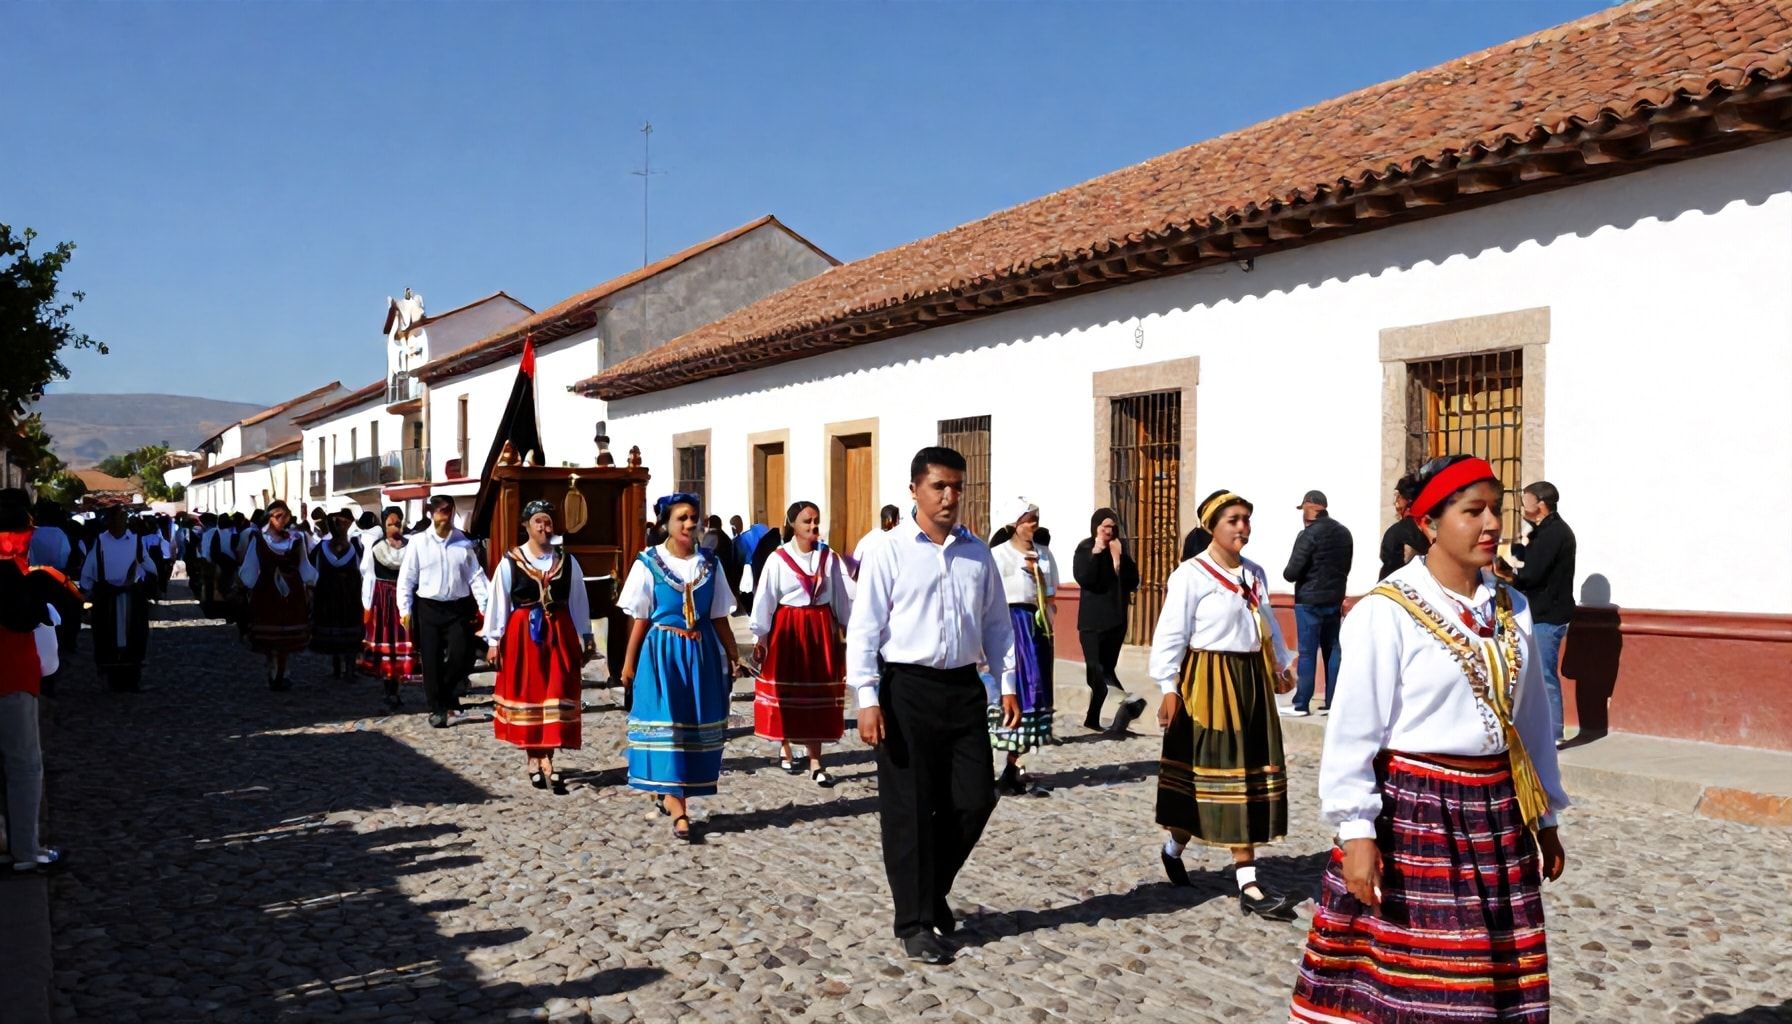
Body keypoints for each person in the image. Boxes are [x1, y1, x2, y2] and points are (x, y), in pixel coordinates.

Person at [1289, 455, 1569, 1022]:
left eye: (1497, 509)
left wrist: (1545, 816)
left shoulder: (1512, 605)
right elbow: (1353, 732)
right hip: (1417, 815)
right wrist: (1357, 831)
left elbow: (1531, 722)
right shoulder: (1386, 611)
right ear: (1429, 523)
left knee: (1491, 976)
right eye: (1473, 511)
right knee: (1424, 983)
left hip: (1497, 812)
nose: (1492, 524)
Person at [847, 446, 1018, 965]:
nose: (949, 496)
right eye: (939, 486)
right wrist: (867, 697)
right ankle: (915, 922)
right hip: (907, 688)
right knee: (911, 809)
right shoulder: (889, 549)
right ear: (915, 490)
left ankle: (932, 887)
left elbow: (996, 623)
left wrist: (1007, 682)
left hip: (963, 687)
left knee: (974, 798)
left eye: (956, 487)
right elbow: (865, 627)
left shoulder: (977, 553)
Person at [1151, 489, 1300, 921]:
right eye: (1233, 520)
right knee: (1214, 779)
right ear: (1211, 527)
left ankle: (1185, 852)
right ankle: (1240, 880)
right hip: (1209, 683)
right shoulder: (1191, 575)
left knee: (1246, 776)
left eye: (1246, 519)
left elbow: (1267, 622)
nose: (1242, 527)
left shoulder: (1254, 574)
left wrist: (1280, 664)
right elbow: (1171, 633)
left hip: (1250, 680)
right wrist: (1168, 687)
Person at [618, 492, 739, 841]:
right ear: (666, 524)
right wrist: (628, 664)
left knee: (692, 727)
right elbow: (640, 619)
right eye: (681, 518)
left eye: (693, 517)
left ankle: (672, 794)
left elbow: (718, 616)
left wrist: (733, 654)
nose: (689, 524)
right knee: (668, 727)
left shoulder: (709, 564)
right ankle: (678, 809)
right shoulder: (649, 563)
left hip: (700, 655)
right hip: (662, 655)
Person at [485, 500, 594, 794]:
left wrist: (585, 635)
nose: (544, 528)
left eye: (548, 522)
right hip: (523, 636)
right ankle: (535, 758)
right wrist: (494, 640)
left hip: (558, 633)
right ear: (526, 525)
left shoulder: (566, 562)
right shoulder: (511, 562)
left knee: (555, 692)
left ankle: (548, 757)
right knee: (530, 692)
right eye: (538, 522)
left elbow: (578, 600)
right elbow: (499, 601)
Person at [750, 500, 853, 786]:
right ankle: (785, 744)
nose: (813, 526)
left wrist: (847, 629)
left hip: (819, 631)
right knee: (788, 690)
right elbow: (766, 598)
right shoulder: (778, 559)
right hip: (788, 631)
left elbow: (841, 596)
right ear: (793, 525)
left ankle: (816, 761)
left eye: (816, 520)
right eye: (807, 521)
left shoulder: (828, 558)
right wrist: (761, 636)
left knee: (815, 693)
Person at [0, 494, 67, 875]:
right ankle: (26, 849)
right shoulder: (12, 572)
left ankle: (3, 842)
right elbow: (23, 618)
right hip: (11, 676)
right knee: (24, 765)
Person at [397, 495, 490, 728]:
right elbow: (407, 578)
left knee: (462, 654)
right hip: (428, 607)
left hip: (456, 608)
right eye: (440, 511)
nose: (444, 516)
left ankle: (446, 693)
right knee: (431, 660)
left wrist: (486, 605)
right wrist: (404, 609)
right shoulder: (418, 542)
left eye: (448, 510)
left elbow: (475, 576)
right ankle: (437, 708)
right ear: (431, 513)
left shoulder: (463, 542)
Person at [986, 498, 1058, 796]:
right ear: (1015, 523)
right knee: (1011, 690)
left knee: (1034, 691)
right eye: (1028, 520)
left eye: (1035, 519)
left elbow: (1051, 594)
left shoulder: (1044, 555)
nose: (1033, 525)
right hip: (1008, 625)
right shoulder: (997, 555)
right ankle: (996, 764)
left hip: (1035, 627)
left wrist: (1038, 578)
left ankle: (1015, 764)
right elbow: (988, 597)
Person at [1501, 480, 1577, 746]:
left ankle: (1554, 733)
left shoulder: (1555, 533)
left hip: (1548, 615)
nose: (1523, 505)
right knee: (1529, 674)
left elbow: (1532, 573)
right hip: (1536, 612)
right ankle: (1534, 727)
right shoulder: (1540, 531)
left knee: (1545, 675)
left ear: (1541, 504)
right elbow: (1523, 559)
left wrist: (1510, 575)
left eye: (1527, 499)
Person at [1072, 507, 1146, 733]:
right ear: (1096, 527)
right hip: (1092, 623)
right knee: (1096, 672)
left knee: (1106, 670)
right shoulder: (1085, 548)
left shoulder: (1119, 549)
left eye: (1113, 527)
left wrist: (1119, 559)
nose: (1109, 531)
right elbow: (1085, 578)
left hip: (1115, 622)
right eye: (1105, 527)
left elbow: (1133, 581)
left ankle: (1094, 719)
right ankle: (1129, 704)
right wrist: (1097, 552)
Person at [1281, 489, 1352, 717]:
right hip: (1334, 600)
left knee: (1308, 653)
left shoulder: (1308, 535)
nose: (1302, 515)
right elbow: (1346, 568)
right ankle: (1333, 703)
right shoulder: (1344, 533)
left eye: (1303, 509)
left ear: (1310, 507)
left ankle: (1301, 704)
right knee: (1332, 650)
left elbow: (1291, 573)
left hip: (1309, 601)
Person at [238, 499, 317, 689]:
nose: (281, 520)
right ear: (269, 518)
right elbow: (251, 563)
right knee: (270, 634)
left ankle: (282, 671)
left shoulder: (296, 539)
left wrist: (311, 582)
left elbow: (304, 563)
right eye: (277, 516)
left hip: (292, 593)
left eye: (285, 516)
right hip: (267, 592)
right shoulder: (259, 539)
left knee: (287, 637)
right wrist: (247, 583)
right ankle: (273, 668)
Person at [80, 507, 153, 693]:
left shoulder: (135, 541)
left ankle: (132, 678)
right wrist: (86, 590)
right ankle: (110, 677)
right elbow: (89, 568)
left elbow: (148, 565)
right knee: (106, 637)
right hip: (107, 598)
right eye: (114, 519)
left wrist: (147, 578)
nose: (117, 523)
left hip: (132, 598)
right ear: (108, 522)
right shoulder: (100, 542)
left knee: (135, 635)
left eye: (121, 518)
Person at [359, 507, 419, 711]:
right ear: (384, 525)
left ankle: (396, 688)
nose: (395, 528)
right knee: (386, 643)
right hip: (383, 600)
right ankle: (388, 689)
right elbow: (369, 576)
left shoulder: (410, 547)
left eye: (398, 523)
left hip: (404, 600)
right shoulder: (377, 548)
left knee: (402, 643)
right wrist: (367, 605)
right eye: (390, 524)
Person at [309, 511, 364, 679]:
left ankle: (345, 669)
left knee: (346, 631)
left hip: (344, 597)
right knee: (338, 632)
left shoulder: (354, 546)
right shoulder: (326, 548)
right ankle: (342, 669)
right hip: (336, 597)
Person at [1376, 472, 1429, 579]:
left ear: (1406, 499)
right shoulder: (1434, 528)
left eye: (1398, 496)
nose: (1395, 502)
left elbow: (1389, 572)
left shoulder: (1396, 532)